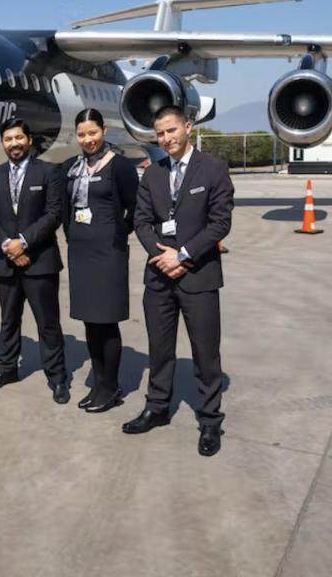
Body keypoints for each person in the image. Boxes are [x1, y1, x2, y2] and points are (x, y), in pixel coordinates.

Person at [122, 105, 234, 457]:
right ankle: (157, 408)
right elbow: (140, 221)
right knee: (160, 349)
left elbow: (219, 223)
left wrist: (182, 255)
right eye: (160, 133)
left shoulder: (213, 169)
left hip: (198, 276)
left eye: (171, 130)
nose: (166, 138)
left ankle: (210, 420)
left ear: (187, 127)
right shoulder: (152, 174)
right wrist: (161, 256)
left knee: (205, 352)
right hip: (159, 277)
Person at [0, 118, 70, 403]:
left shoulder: (49, 172)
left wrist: (24, 242)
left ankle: (57, 377)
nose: (14, 144)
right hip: (4, 261)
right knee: (8, 320)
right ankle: (7, 369)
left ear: (29, 140)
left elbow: (54, 213)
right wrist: (7, 245)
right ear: (3, 143)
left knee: (48, 323)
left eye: (19, 138)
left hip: (39, 260)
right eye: (8, 139)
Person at [61, 109, 139, 413]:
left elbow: (135, 208)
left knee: (107, 322)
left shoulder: (119, 166)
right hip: (81, 255)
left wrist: (117, 234)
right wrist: (73, 236)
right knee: (90, 323)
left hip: (108, 254)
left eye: (92, 133)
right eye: (82, 134)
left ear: (103, 131)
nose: (88, 139)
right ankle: (99, 384)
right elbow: (66, 210)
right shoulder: (71, 167)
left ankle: (109, 386)